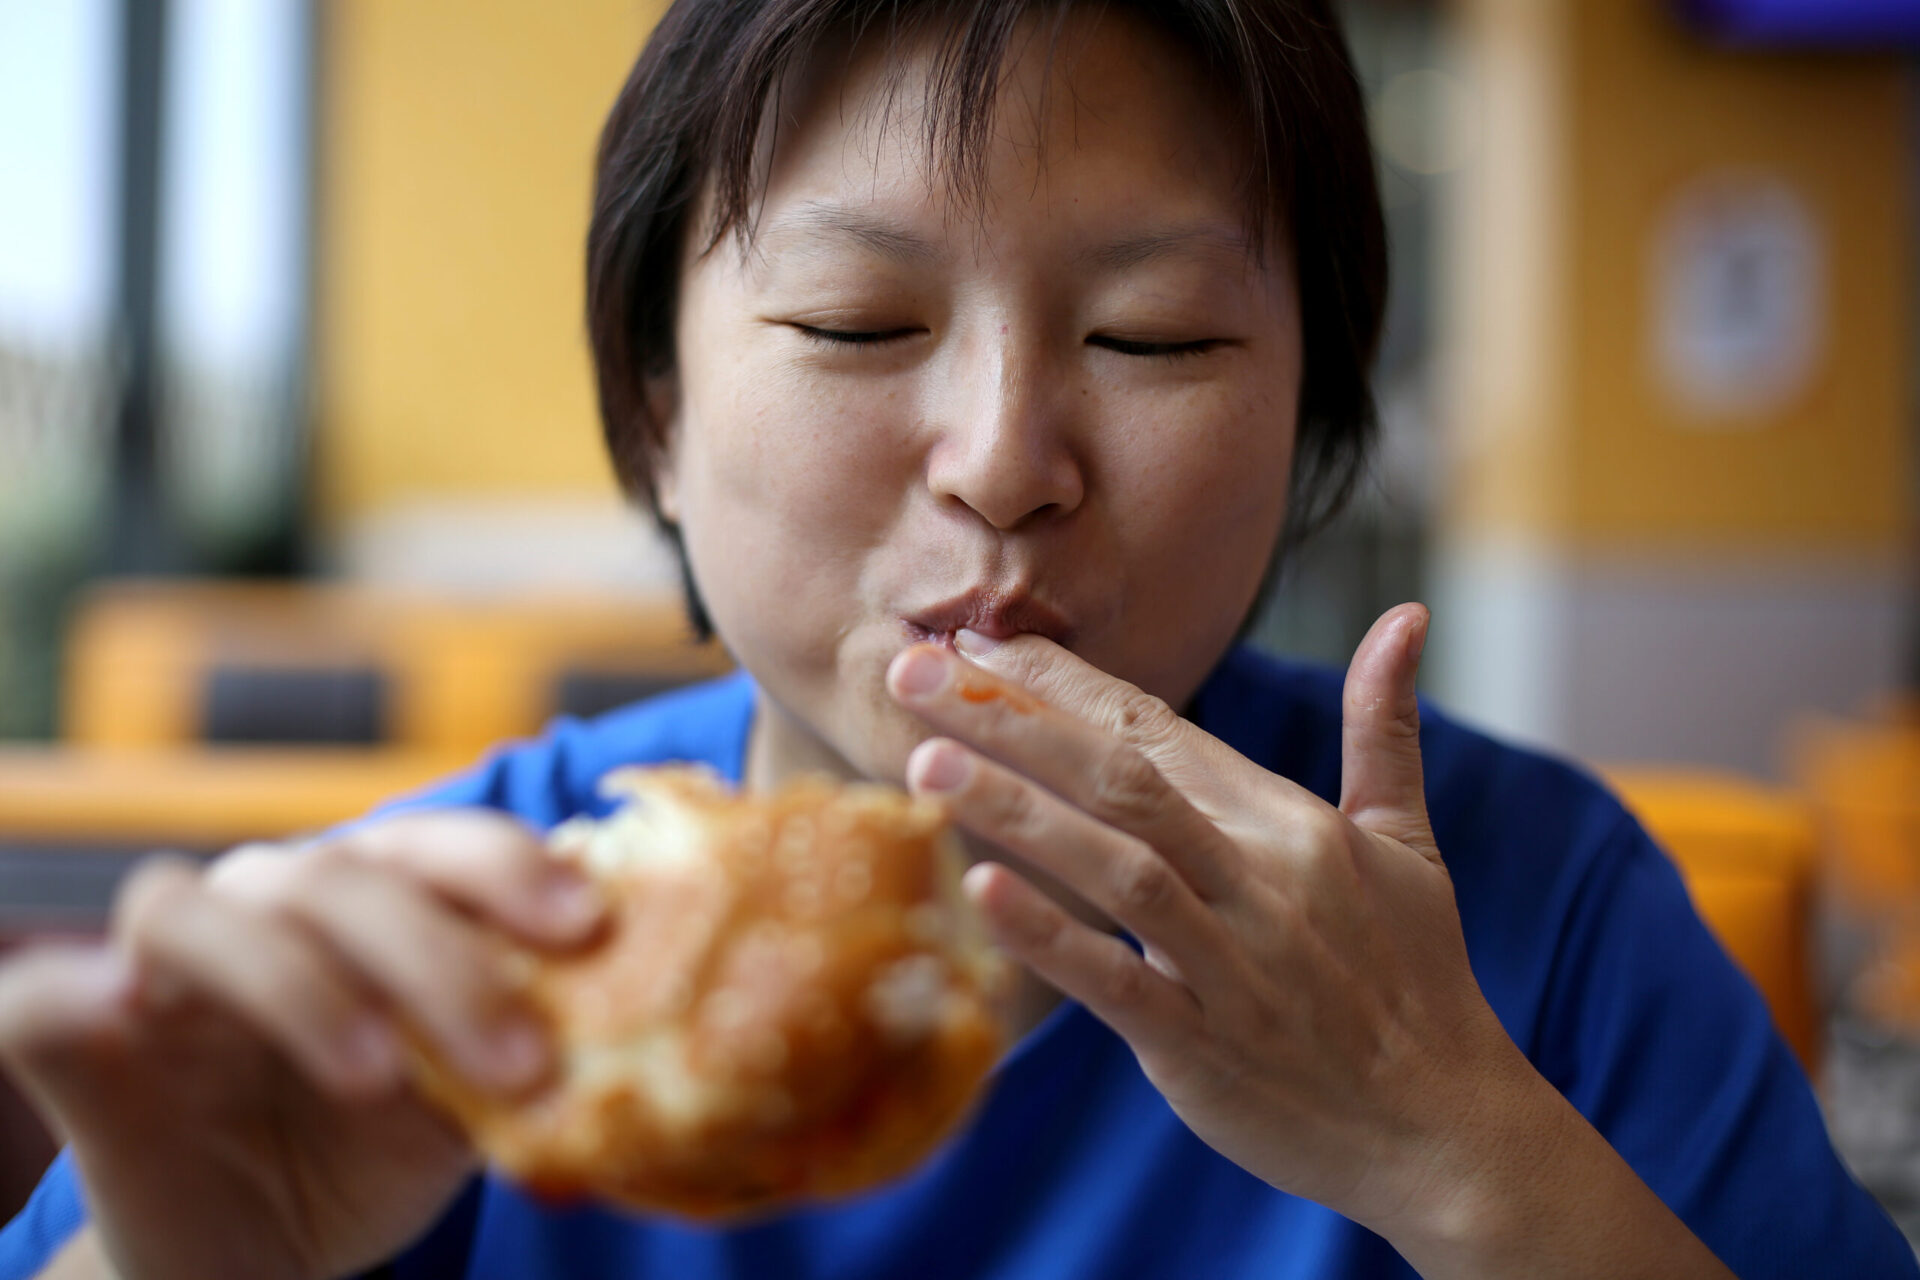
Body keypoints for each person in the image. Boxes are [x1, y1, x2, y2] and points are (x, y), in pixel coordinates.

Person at [0, 1, 1910, 1276]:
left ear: (1316, 422)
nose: (1005, 464)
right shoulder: (415, 975)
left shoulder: (1537, 922)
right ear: (657, 409)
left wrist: (1467, 1157)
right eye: (854, 324)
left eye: (1154, 339)